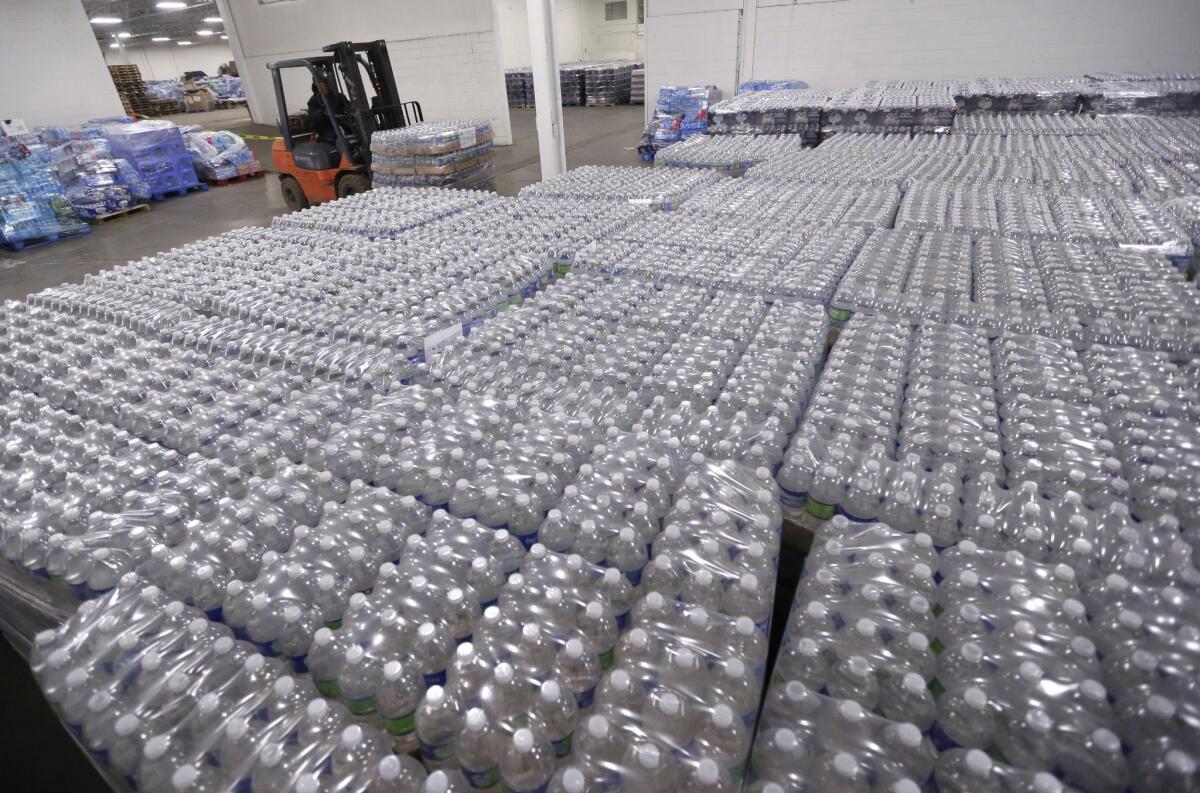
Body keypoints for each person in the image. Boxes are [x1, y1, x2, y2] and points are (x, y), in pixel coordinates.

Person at [307, 77, 350, 145]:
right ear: (316, 85)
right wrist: (323, 113)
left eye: (325, 84)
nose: (324, 87)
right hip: (327, 131)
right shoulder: (314, 101)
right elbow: (313, 120)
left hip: (342, 127)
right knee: (332, 135)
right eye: (321, 85)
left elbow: (349, 107)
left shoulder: (338, 97)